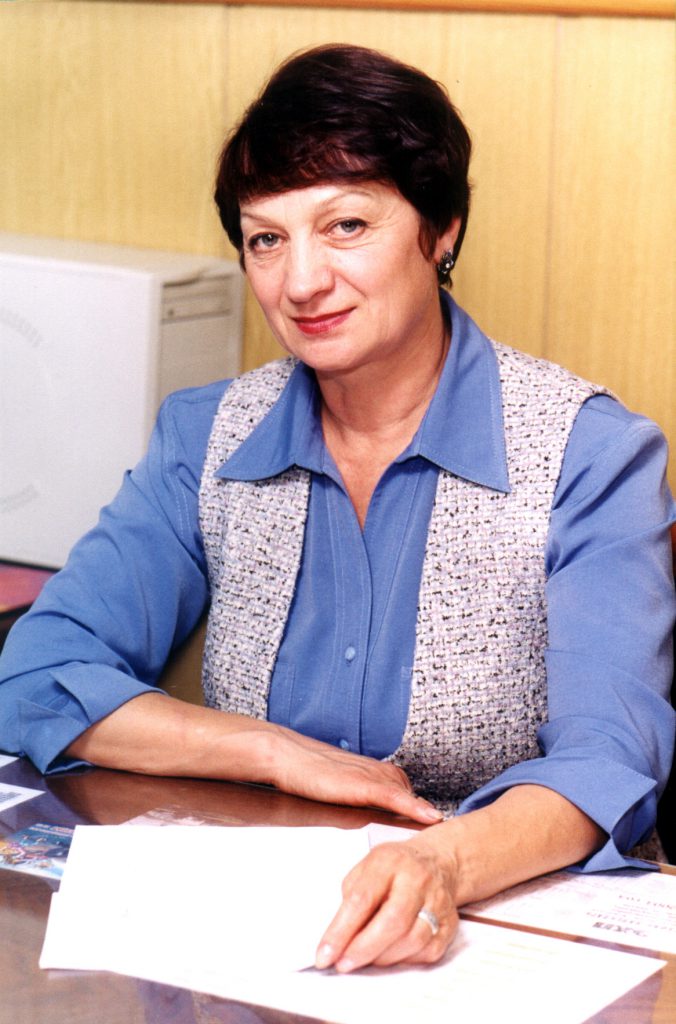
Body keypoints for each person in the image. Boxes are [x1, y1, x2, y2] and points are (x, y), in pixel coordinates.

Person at [0, 44, 674, 973]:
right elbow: (38, 674)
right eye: (266, 239)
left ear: (441, 230)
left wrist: (442, 861)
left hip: (509, 937)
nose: (301, 281)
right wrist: (270, 750)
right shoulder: (207, 436)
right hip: (267, 934)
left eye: (346, 224)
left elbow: (610, 761)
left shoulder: (590, 454)